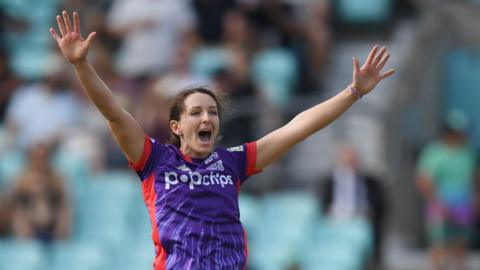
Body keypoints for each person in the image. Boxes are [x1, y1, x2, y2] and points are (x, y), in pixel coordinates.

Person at [50, 11, 394, 269]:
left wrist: (352, 93)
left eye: (212, 112)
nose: (206, 118)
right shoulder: (154, 159)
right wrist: (81, 65)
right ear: (176, 126)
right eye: (196, 112)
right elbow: (113, 113)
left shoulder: (232, 162)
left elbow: (296, 128)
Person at [416, 110, 477, 270]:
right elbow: (424, 179)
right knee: (439, 245)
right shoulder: (434, 152)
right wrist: (436, 201)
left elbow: (474, 179)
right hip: (439, 204)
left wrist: (476, 200)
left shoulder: (468, 153)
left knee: (460, 246)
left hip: (463, 205)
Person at [320, 144, 386, 269]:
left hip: (360, 221)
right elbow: (324, 205)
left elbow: (380, 205)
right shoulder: (330, 180)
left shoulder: (370, 181)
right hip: (336, 221)